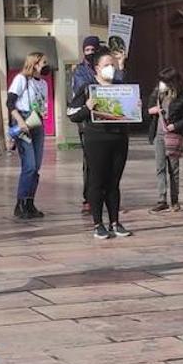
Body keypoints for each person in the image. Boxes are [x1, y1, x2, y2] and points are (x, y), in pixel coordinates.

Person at [68, 50, 131, 239]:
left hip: (119, 139)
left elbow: (131, 109)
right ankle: (98, 223)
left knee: (114, 182)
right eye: (106, 65)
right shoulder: (88, 88)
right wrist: (87, 107)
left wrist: (134, 106)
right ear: (97, 68)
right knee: (97, 181)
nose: (110, 69)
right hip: (96, 139)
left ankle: (115, 221)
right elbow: (72, 114)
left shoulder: (120, 86)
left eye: (112, 65)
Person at [8, 52, 51, 219]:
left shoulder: (44, 84)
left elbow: (42, 104)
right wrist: (19, 121)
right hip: (24, 119)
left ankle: (30, 202)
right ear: (34, 64)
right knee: (29, 165)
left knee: (36, 166)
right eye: (43, 62)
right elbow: (10, 102)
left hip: (37, 120)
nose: (46, 65)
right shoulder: (21, 79)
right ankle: (21, 203)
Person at [146, 67, 183, 213]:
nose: (161, 84)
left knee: (173, 169)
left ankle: (174, 200)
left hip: (172, 135)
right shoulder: (157, 94)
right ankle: (162, 199)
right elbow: (148, 109)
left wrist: (176, 125)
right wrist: (152, 110)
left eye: (164, 81)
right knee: (160, 168)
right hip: (158, 135)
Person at [71, 36, 102, 214]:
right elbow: (80, 89)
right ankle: (88, 197)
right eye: (87, 50)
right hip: (87, 122)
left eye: (93, 50)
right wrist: (98, 80)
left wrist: (120, 66)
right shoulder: (80, 70)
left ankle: (106, 196)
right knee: (89, 162)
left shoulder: (107, 65)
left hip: (107, 120)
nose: (90, 53)